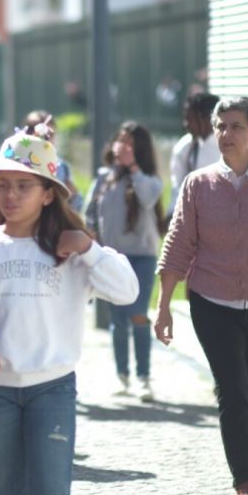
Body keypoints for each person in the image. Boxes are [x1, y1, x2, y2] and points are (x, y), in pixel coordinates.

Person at [0, 131, 138, 495]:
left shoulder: (73, 248)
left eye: (23, 186)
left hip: (53, 388)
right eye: (2, 186)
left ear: (48, 193)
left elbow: (127, 291)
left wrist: (88, 248)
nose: (10, 196)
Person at [154, 96, 248, 495]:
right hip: (212, 302)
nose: (226, 134)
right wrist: (163, 306)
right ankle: (245, 484)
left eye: (236, 126)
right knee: (232, 390)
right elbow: (178, 244)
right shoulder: (197, 183)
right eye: (221, 126)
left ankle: (245, 465)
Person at [87, 121, 163, 400]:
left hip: (142, 256)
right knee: (118, 319)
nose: (123, 148)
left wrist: (133, 168)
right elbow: (91, 212)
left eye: (130, 144)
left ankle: (144, 377)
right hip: (111, 257)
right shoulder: (104, 177)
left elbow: (147, 199)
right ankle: (123, 375)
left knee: (138, 314)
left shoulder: (149, 179)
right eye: (120, 141)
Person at [168, 93, 220, 218]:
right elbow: (178, 185)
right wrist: (172, 213)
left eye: (189, 119)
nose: (186, 124)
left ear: (206, 119)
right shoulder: (185, 147)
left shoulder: (228, 147)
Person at [23, 110, 84, 212]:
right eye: (42, 136)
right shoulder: (17, 162)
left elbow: (76, 204)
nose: (46, 141)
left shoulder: (61, 166)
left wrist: (73, 195)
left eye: (50, 136)